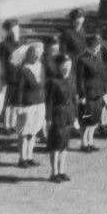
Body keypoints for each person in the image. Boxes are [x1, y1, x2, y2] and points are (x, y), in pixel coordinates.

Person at [44, 52, 77, 183]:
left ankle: (62, 170)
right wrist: (48, 118)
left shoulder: (71, 79)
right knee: (55, 145)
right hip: (57, 115)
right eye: (63, 65)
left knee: (64, 145)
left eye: (68, 64)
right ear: (58, 66)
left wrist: (76, 117)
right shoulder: (53, 81)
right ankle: (54, 172)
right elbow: (49, 101)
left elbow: (74, 99)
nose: (66, 67)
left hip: (69, 114)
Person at [12, 43, 46, 168]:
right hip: (27, 104)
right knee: (24, 133)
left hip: (39, 102)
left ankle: (30, 156)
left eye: (39, 54)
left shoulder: (41, 66)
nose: (36, 56)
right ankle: (22, 158)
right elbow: (19, 89)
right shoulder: (24, 69)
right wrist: (19, 105)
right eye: (34, 53)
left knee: (34, 132)